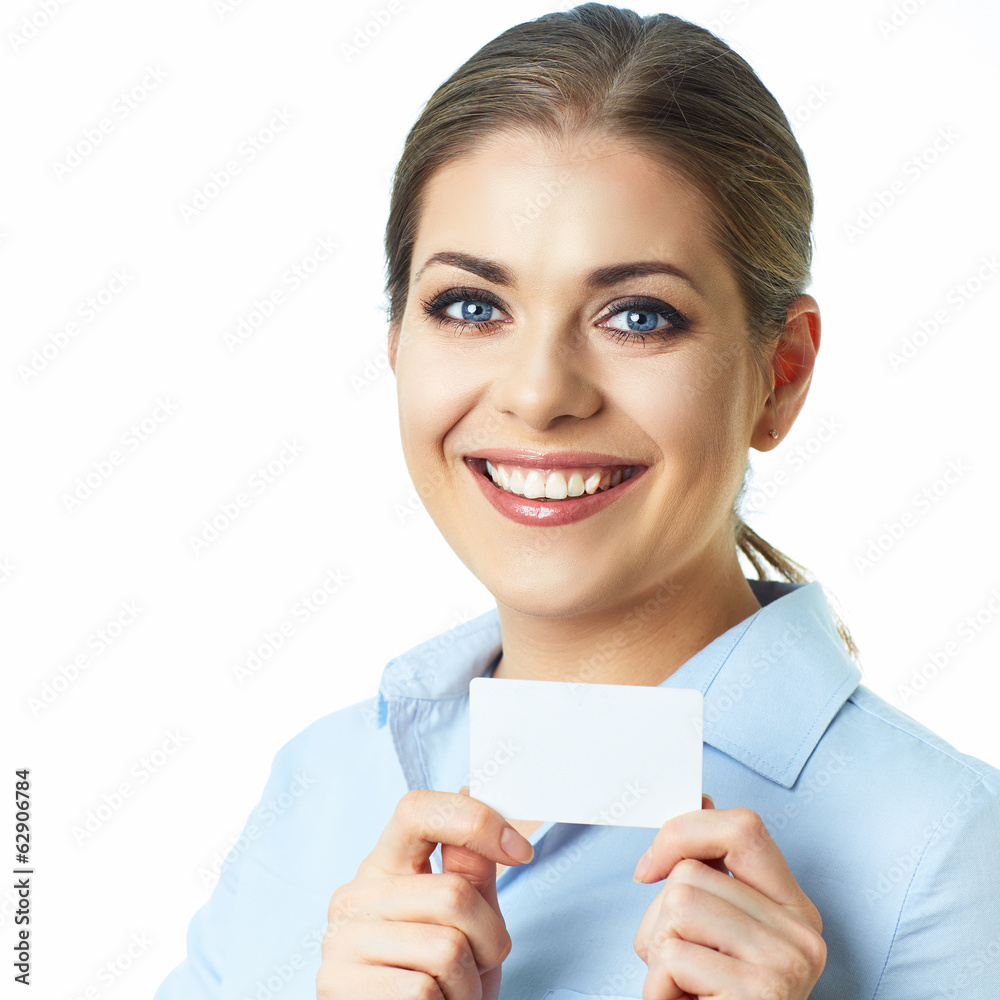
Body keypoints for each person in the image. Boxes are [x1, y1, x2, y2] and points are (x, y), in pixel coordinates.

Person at [155, 5, 1000, 998]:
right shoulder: (325, 782)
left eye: (637, 315)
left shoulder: (947, 848)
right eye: (471, 305)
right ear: (395, 339)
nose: (538, 391)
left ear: (780, 372)